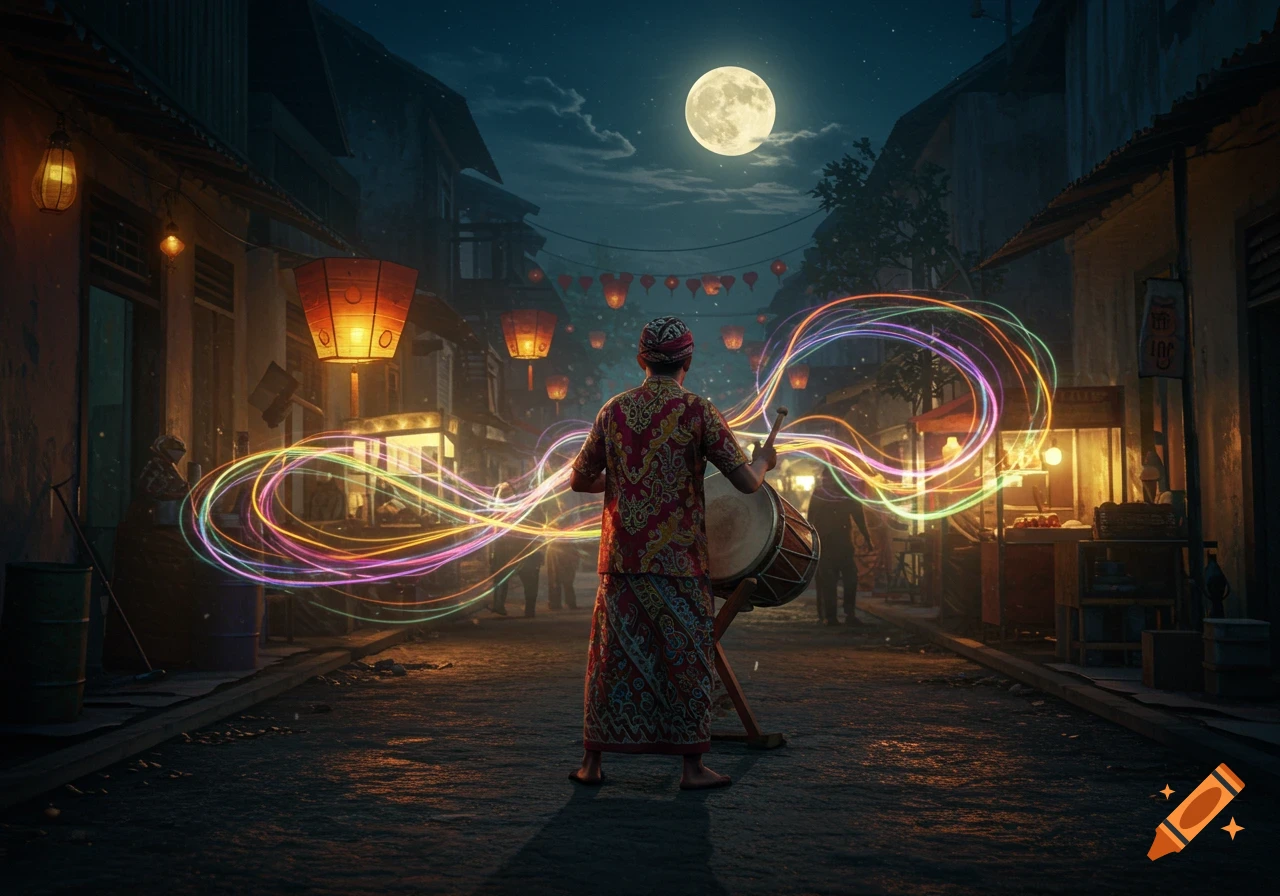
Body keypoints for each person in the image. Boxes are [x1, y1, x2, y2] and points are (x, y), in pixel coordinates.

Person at [568, 316, 777, 790]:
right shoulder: (698, 411)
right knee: (685, 659)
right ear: (688, 360)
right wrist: (764, 460)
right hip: (680, 563)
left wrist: (627, 484)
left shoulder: (613, 410)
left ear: (640, 359)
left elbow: (579, 480)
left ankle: (593, 764)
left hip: (621, 560)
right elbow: (746, 484)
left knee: (610, 659)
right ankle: (692, 768)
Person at [807, 467, 871, 626]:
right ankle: (830, 615)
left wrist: (867, 537)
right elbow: (810, 520)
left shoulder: (844, 493)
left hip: (842, 544)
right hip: (827, 544)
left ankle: (846, 614)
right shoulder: (821, 493)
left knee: (849, 579)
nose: (827, 481)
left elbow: (858, 516)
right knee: (829, 581)